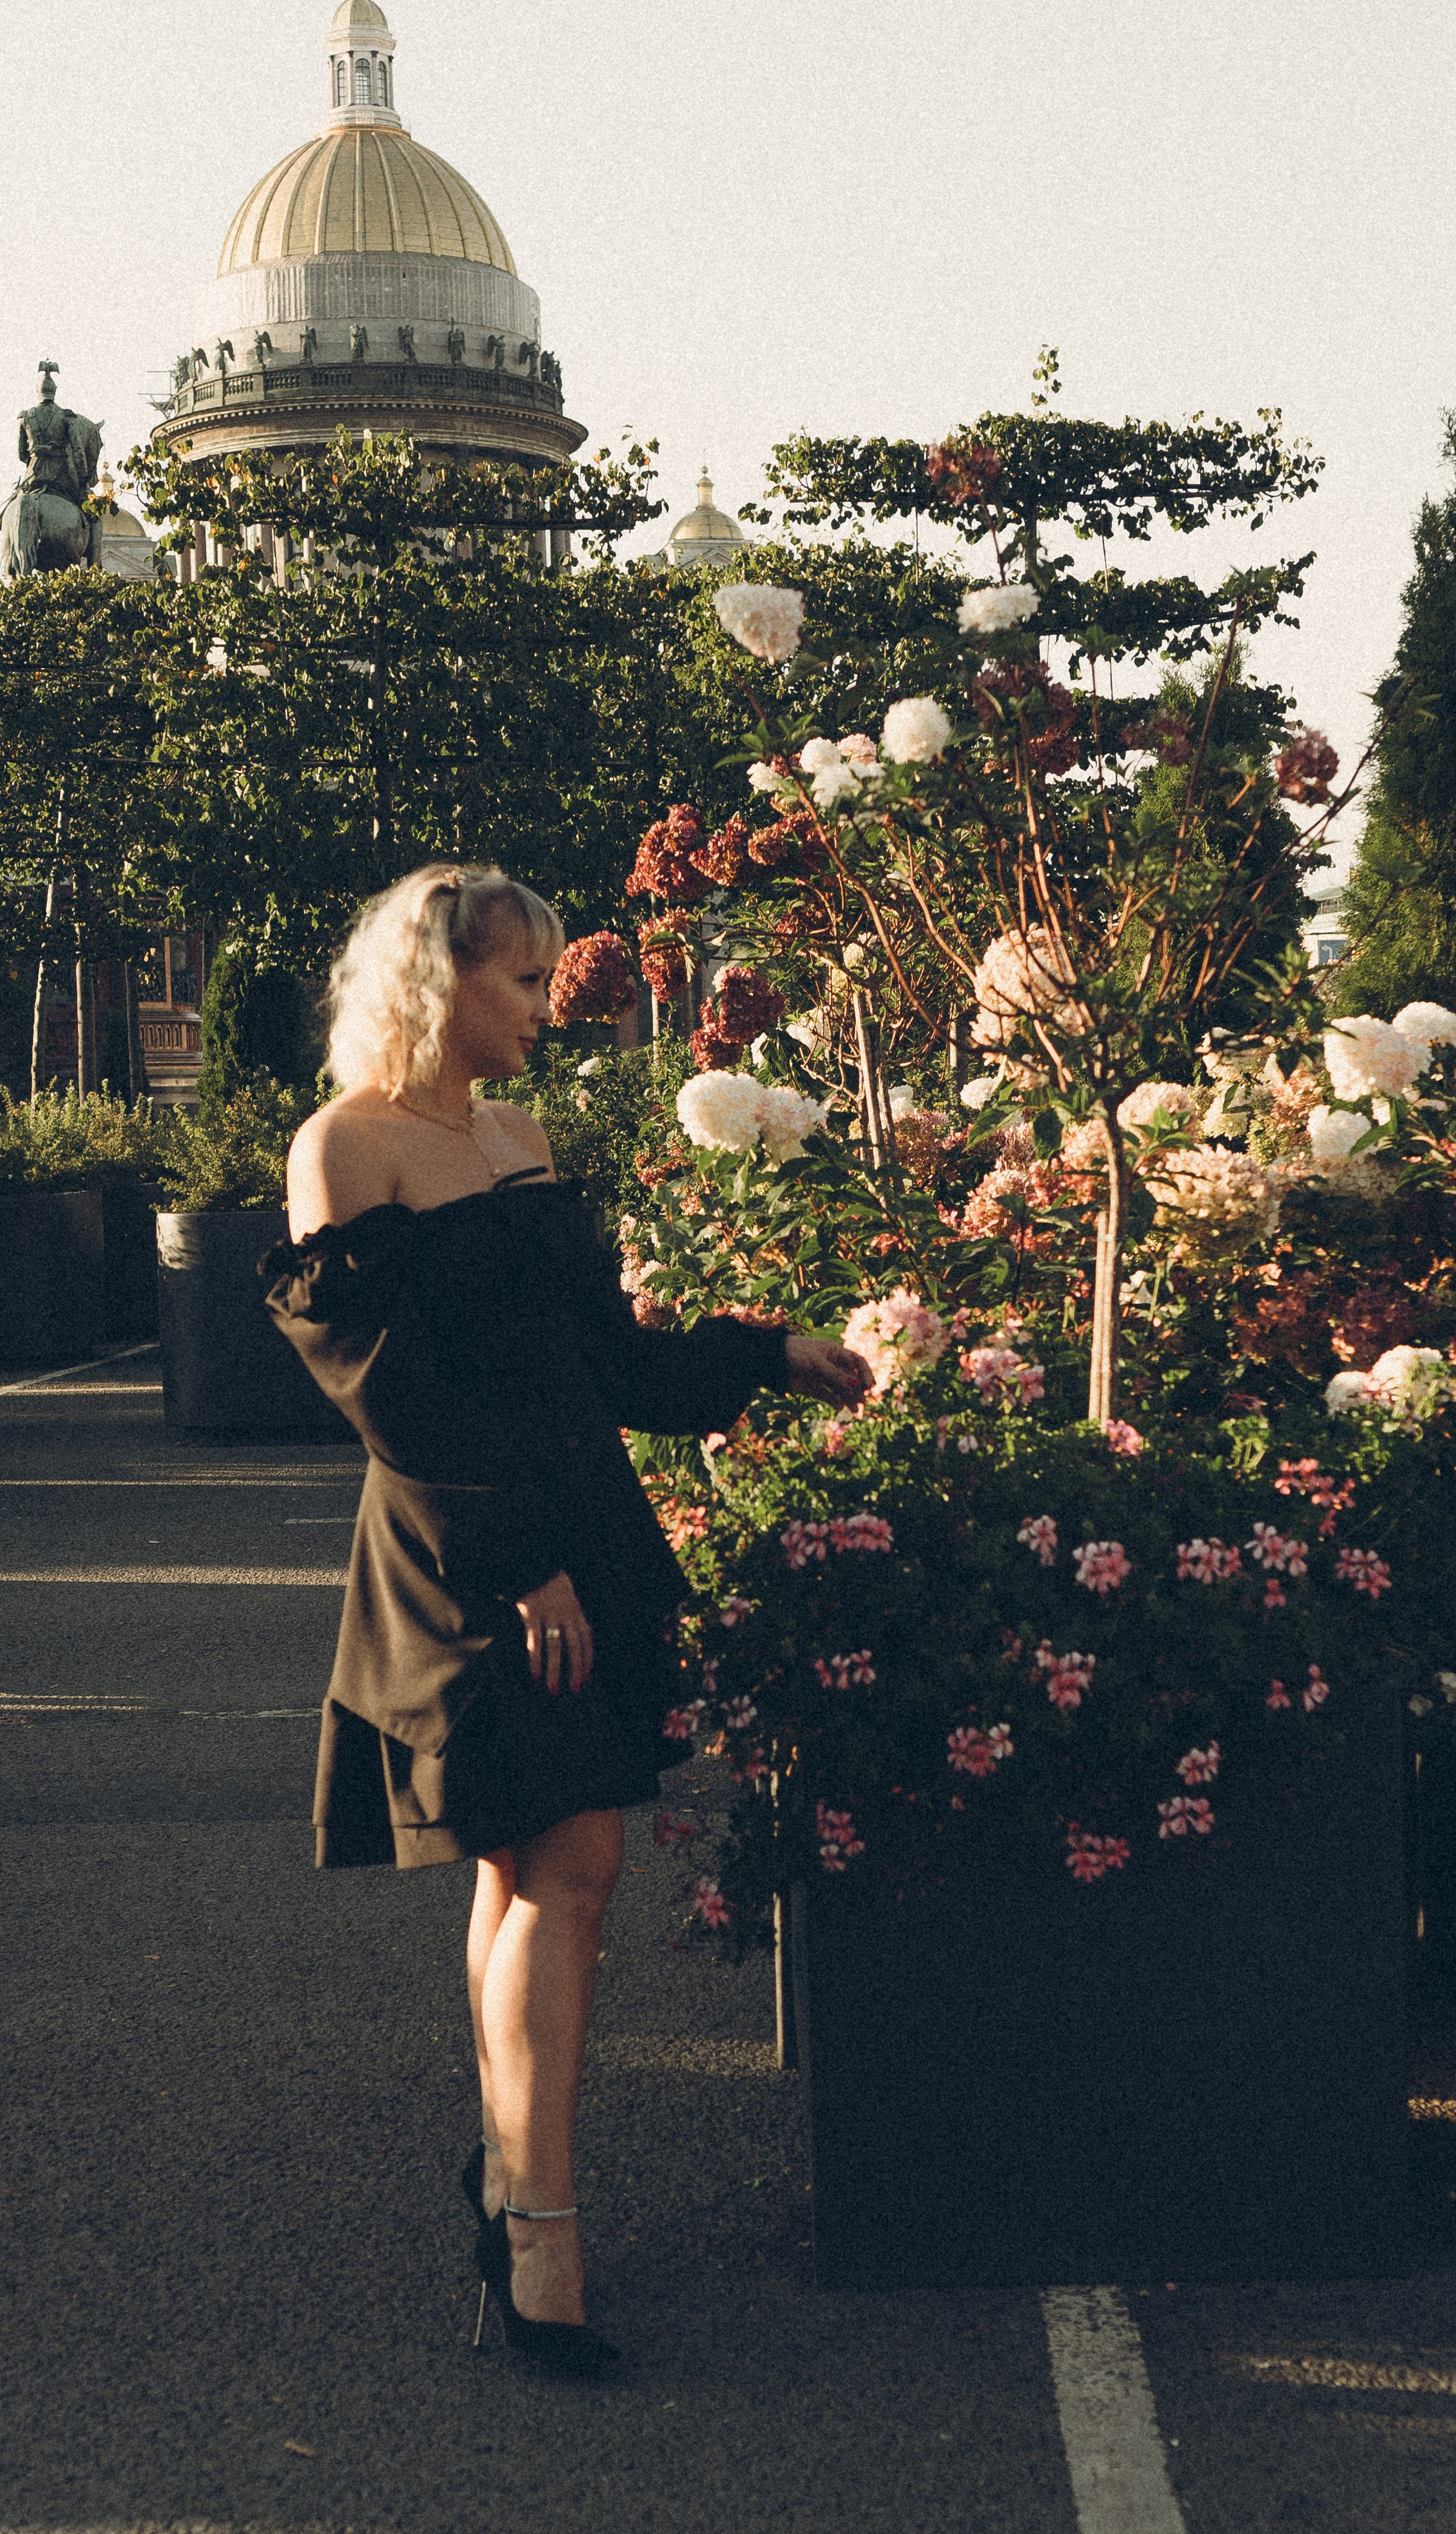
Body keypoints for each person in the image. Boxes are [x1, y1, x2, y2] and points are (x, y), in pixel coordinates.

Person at [268, 863, 871, 2376]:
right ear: (438, 983)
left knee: (532, 1855)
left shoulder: (518, 1140)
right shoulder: (345, 1146)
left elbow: (595, 1362)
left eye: (542, 979)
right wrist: (519, 1561)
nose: (547, 1007)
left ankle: (511, 2178)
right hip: (469, 1550)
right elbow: (385, 1392)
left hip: (573, 1536)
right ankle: (540, 2225)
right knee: (573, 1858)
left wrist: (764, 1351)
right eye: (520, 981)